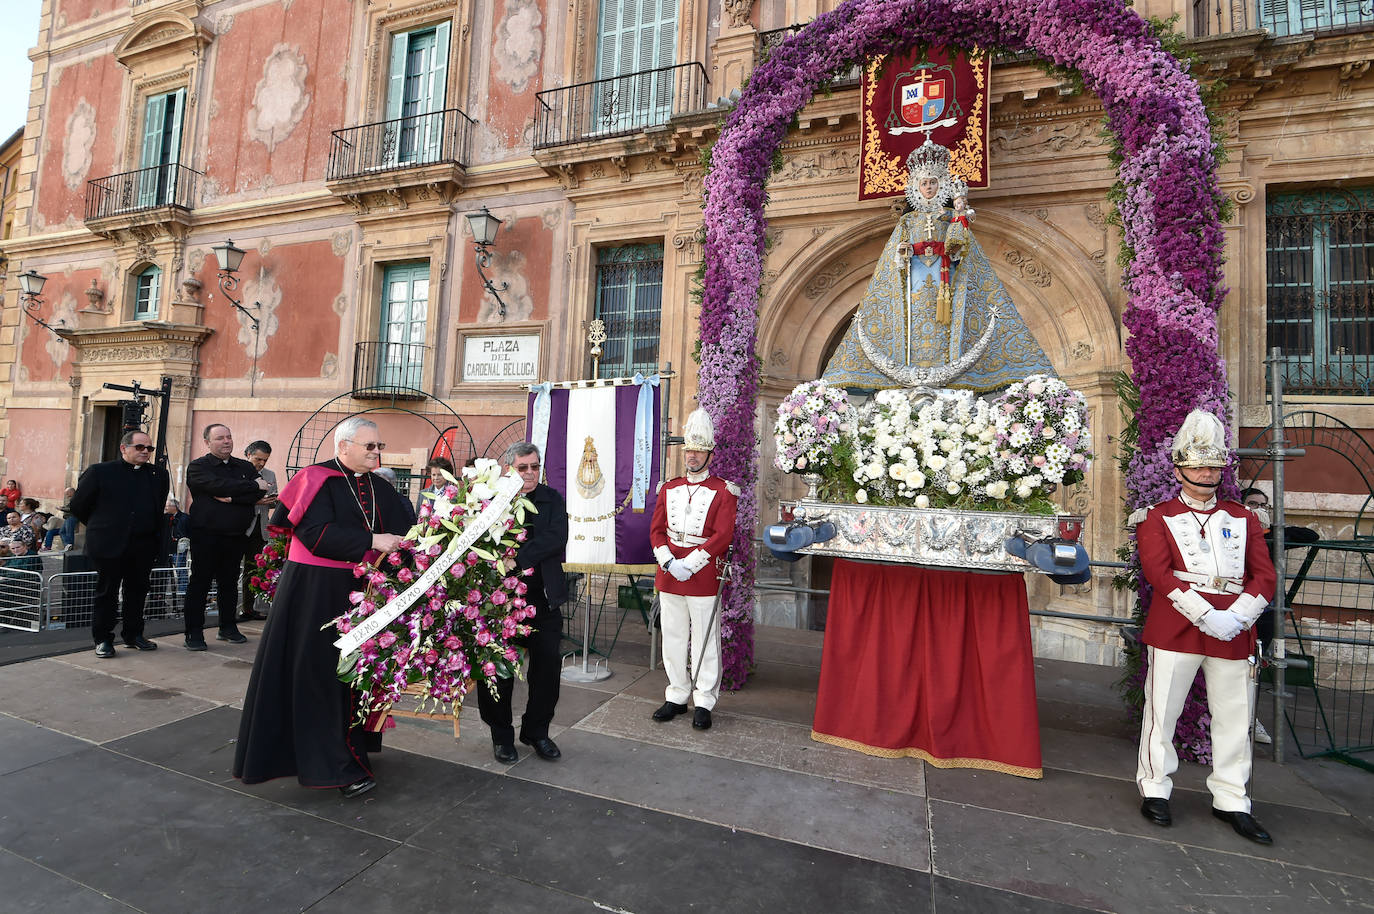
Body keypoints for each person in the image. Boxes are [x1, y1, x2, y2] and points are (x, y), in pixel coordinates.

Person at [233, 417, 412, 797]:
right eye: (369, 446)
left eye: (379, 446)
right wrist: (371, 539)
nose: (376, 452)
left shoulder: (378, 485)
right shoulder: (316, 478)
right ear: (343, 446)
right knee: (319, 677)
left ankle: (351, 750)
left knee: (354, 676)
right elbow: (314, 535)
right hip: (316, 593)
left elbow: (407, 527)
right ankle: (331, 766)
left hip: (361, 589)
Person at [1135, 409, 1278, 845]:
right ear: (1179, 468)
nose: (1206, 473)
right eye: (1198, 465)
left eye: (1214, 466)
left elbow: (1264, 576)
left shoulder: (1243, 517)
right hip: (1179, 624)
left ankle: (1232, 798)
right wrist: (1206, 614)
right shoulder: (1156, 517)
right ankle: (1155, 787)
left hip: (1235, 627)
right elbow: (1159, 574)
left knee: (1235, 716)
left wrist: (1236, 617)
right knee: (1163, 712)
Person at [822, 140, 1054, 392]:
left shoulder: (949, 217)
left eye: (933, 182)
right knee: (916, 311)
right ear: (916, 187)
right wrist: (903, 253)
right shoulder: (908, 220)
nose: (929, 187)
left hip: (945, 275)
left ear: (940, 184)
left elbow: (960, 248)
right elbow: (894, 256)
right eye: (924, 183)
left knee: (946, 316)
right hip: (916, 276)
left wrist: (959, 221)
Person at [478, 442, 568, 764]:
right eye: (523, 467)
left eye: (535, 466)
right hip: (500, 605)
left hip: (543, 603)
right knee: (496, 673)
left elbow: (556, 539)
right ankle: (501, 736)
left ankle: (537, 732)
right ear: (508, 469)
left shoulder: (552, 499)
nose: (530, 473)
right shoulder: (490, 501)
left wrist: (516, 558)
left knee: (546, 673)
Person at [649, 409, 739, 731]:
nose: (692, 456)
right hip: (670, 571)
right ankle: (676, 695)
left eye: (698, 450)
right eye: (689, 450)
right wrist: (669, 560)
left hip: (701, 574)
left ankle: (704, 700)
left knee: (705, 639)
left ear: (709, 453)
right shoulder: (668, 488)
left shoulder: (724, 491)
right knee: (672, 637)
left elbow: (723, 535)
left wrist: (691, 562)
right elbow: (656, 530)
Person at [69, 430, 171, 657]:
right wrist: (102, 525)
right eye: (140, 447)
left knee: (138, 591)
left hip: (143, 545)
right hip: (109, 543)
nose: (145, 452)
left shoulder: (158, 475)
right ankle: (103, 639)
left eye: (149, 449)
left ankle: (134, 635)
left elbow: (157, 507)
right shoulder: (99, 472)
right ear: (124, 448)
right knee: (107, 593)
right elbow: (78, 506)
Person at [183, 423, 271, 650]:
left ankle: (228, 627)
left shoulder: (243, 466)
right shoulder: (198, 467)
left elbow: (260, 491)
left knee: (230, 584)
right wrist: (248, 486)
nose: (226, 441)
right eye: (220, 438)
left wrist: (232, 497)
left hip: (236, 535)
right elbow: (214, 484)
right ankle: (194, 633)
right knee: (200, 584)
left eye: (229, 437)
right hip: (206, 535)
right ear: (208, 442)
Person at [239, 440, 278, 623]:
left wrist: (270, 500)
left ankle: (249, 609)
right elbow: (237, 498)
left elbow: (273, 499)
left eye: (265, 460)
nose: (261, 463)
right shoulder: (238, 471)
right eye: (258, 459)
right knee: (232, 570)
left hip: (261, 529)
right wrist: (256, 500)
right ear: (248, 455)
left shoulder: (270, 475)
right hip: (240, 528)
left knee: (253, 571)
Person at [161, 497, 192, 597]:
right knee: (165, 572)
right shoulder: (166, 518)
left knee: (181, 570)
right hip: (168, 548)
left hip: (179, 548)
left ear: (175, 507)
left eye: (168, 506)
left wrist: (186, 541)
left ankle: (183, 592)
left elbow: (188, 532)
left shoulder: (184, 518)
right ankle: (163, 593)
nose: (166, 508)